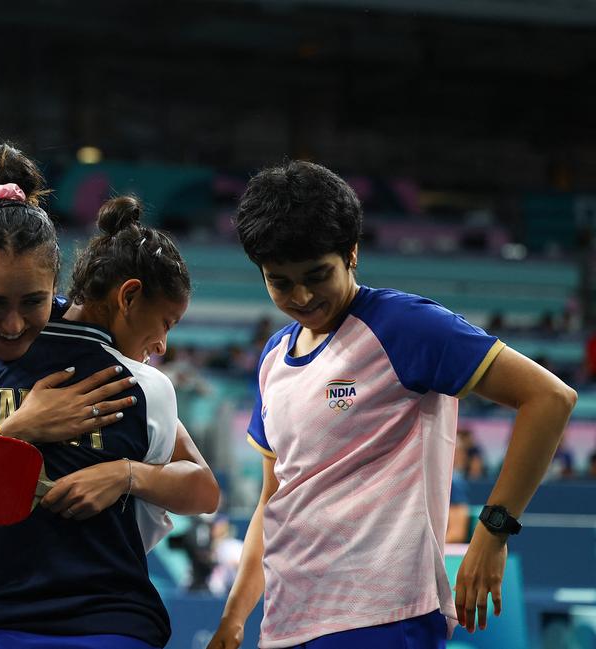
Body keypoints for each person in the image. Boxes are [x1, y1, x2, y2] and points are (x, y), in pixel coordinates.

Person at [207, 161, 577, 649]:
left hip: (383, 618)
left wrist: (494, 532)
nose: (301, 296)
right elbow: (272, 502)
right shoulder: (273, 358)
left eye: (318, 275)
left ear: (352, 253)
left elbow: (549, 398)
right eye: (280, 282)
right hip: (285, 623)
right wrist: (233, 623)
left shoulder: (405, 326)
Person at [0, 144, 218, 649]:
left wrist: (126, 475)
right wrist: (16, 430)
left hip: (38, 606)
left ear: (56, 284)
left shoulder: (84, 341)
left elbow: (198, 482)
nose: (13, 326)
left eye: (33, 302)